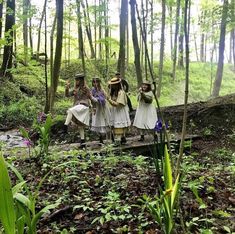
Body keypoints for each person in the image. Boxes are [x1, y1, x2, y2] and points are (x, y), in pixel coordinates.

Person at [63, 73, 92, 148]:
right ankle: (83, 142)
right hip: (77, 106)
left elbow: (90, 97)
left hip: (84, 106)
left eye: (78, 80)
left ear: (81, 80)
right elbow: (67, 95)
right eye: (76, 80)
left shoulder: (86, 89)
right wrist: (67, 88)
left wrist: (94, 105)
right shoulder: (75, 89)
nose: (76, 81)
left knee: (70, 111)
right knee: (80, 126)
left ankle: (65, 126)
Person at [107, 77, 131, 146]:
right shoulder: (114, 92)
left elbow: (118, 104)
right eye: (112, 85)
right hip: (115, 112)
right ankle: (122, 139)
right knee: (115, 125)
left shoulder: (121, 93)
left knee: (119, 126)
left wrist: (109, 100)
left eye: (114, 85)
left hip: (120, 111)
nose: (112, 86)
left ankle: (118, 142)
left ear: (118, 85)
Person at [90, 77, 111, 144]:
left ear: (99, 83)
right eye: (94, 82)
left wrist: (102, 98)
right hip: (97, 108)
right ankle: (100, 139)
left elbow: (106, 97)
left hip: (103, 107)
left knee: (106, 121)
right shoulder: (92, 90)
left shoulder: (102, 89)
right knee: (98, 121)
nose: (95, 83)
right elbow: (91, 99)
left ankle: (111, 137)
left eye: (97, 82)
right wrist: (95, 102)